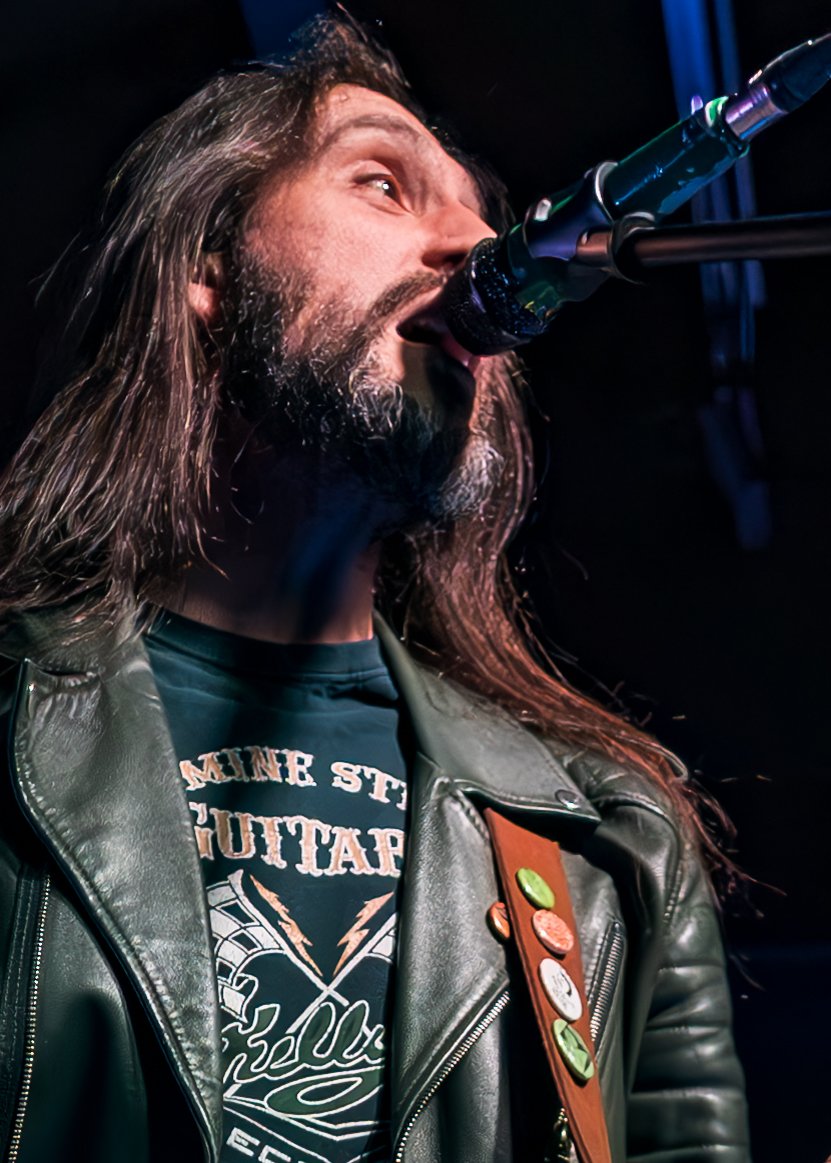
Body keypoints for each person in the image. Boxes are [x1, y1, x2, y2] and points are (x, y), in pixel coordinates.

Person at [0, 15, 750, 1163]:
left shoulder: (611, 839)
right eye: (383, 184)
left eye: (480, 211)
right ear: (208, 268)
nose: (475, 243)